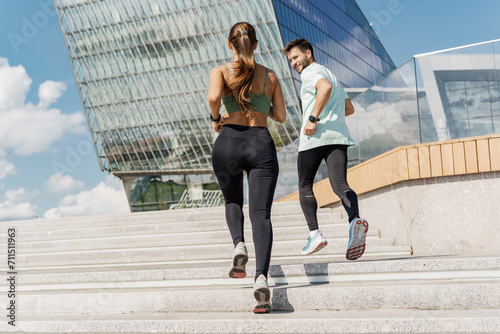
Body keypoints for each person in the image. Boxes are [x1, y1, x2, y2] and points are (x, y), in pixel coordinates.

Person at [207, 22, 286, 313]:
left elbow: (214, 98)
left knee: (232, 201)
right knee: (261, 214)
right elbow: (281, 116)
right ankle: (261, 279)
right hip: (260, 143)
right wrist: (262, 104)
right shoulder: (271, 76)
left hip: (228, 142)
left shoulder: (220, 72)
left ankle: (239, 245)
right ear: (255, 44)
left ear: (231, 44)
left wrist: (215, 117)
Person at [283, 39, 369, 261]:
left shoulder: (311, 72)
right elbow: (349, 108)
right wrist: (330, 116)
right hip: (337, 136)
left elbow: (325, 88)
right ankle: (354, 220)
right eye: (290, 60)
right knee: (340, 184)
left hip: (314, 137)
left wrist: (313, 118)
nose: (293, 63)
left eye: (296, 57)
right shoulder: (333, 75)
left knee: (304, 184)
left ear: (308, 53)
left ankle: (315, 234)